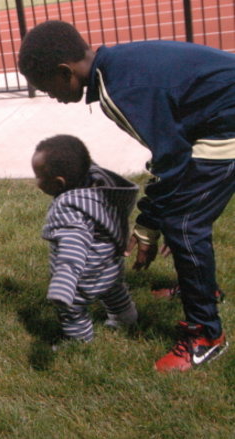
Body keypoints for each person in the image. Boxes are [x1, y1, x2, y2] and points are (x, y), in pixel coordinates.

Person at [18, 20, 233, 371]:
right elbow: (172, 150)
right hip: (213, 119)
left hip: (226, 124)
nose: (51, 96)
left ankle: (207, 336)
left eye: (47, 87)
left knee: (184, 225)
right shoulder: (115, 67)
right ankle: (201, 289)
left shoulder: (117, 90)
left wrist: (148, 224)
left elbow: (171, 160)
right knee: (179, 213)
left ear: (65, 71)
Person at [32, 135, 139, 344]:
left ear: (59, 183)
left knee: (73, 307)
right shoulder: (101, 188)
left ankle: (79, 341)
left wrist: (63, 284)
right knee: (115, 292)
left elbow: (73, 246)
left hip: (83, 275)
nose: (35, 182)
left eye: (38, 177)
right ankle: (126, 319)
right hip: (110, 265)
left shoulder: (69, 209)